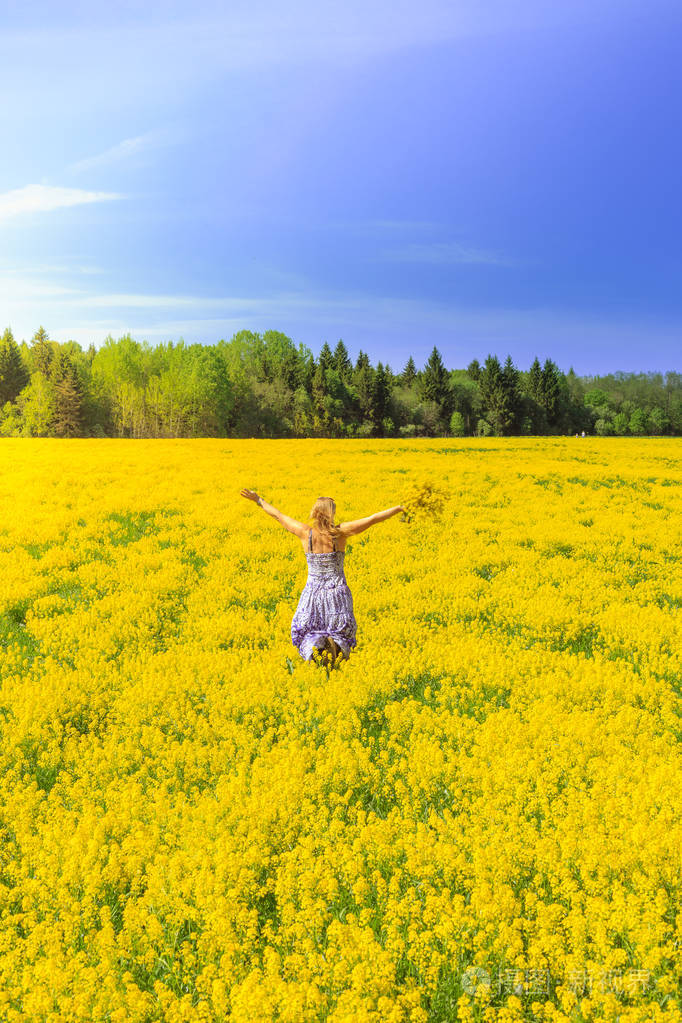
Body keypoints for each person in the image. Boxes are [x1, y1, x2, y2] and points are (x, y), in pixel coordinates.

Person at [239, 491, 404, 667]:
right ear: (332, 513)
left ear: (315, 512)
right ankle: (336, 654)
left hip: (313, 593)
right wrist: (399, 508)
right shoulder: (340, 533)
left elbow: (278, 516)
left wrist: (258, 499)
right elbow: (373, 519)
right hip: (337, 592)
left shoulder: (305, 533)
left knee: (308, 630)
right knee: (340, 632)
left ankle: (318, 653)